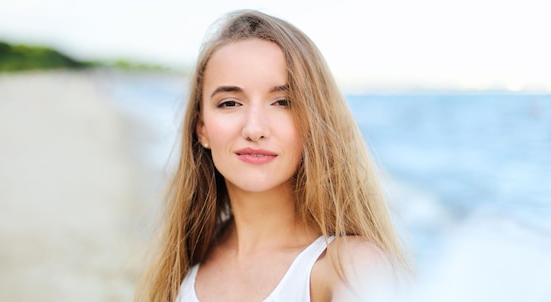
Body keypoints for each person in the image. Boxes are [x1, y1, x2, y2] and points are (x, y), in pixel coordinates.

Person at [136, 9, 411, 302]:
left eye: (282, 102)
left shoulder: (350, 268)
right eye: (230, 103)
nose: (254, 129)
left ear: (314, 123)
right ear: (201, 128)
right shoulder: (184, 262)